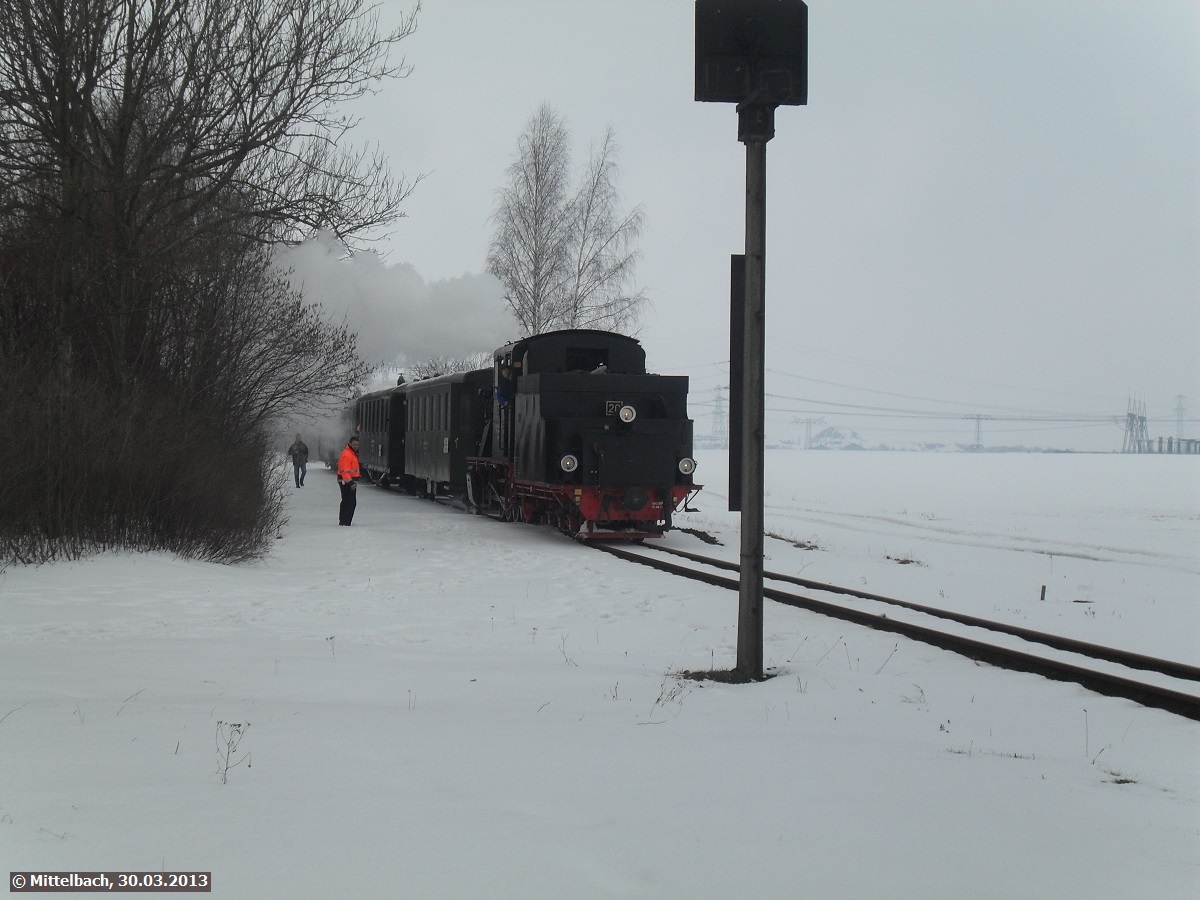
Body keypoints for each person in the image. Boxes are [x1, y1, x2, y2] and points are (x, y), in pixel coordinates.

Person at [336, 436, 361, 526]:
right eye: (354, 444)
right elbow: (345, 471)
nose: (356, 446)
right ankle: (345, 522)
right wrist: (350, 482)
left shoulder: (352, 454)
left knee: (347, 501)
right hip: (346, 481)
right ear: (350, 444)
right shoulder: (347, 455)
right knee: (350, 502)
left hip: (348, 481)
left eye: (357, 445)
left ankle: (344, 521)